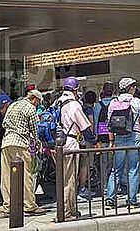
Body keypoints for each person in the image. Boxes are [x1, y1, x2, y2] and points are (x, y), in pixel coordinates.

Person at [105, 77, 140, 208]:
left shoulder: (113, 102)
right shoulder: (136, 102)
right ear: (130, 88)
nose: (135, 89)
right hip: (134, 137)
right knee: (133, 169)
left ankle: (110, 199)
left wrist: (111, 141)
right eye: (134, 87)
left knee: (116, 169)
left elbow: (109, 125)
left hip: (119, 138)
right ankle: (132, 200)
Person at [0, 90, 45, 216]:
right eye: (38, 102)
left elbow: (4, 123)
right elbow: (34, 129)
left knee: (6, 177)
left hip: (6, 142)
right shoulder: (30, 108)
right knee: (26, 175)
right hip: (21, 143)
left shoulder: (13, 105)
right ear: (34, 99)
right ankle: (29, 205)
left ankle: (8, 206)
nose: (37, 105)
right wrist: (37, 143)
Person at [57, 77, 94, 220]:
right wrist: (93, 140)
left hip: (58, 143)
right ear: (75, 90)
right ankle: (67, 212)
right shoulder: (74, 105)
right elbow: (85, 127)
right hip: (70, 142)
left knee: (63, 178)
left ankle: (69, 209)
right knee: (70, 179)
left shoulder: (57, 102)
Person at [78, 89, 97, 201]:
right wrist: (93, 136)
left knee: (81, 164)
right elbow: (91, 123)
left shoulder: (81, 108)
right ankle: (82, 188)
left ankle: (82, 187)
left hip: (80, 139)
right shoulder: (89, 109)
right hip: (87, 139)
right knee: (86, 164)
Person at [94, 82, 115, 181]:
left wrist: (95, 138)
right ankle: (113, 184)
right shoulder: (116, 103)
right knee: (114, 163)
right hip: (115, 137)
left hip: (101, 138)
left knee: (103, 163)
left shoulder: (98, 106)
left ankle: (104, 185)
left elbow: (95, 122)